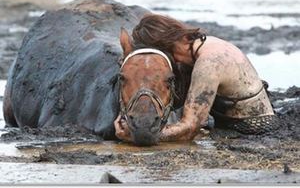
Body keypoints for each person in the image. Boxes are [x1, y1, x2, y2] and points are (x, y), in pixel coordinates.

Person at [115, 14, 279, 142]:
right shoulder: (204, 44)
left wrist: (139, 135)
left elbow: (190, 128)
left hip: (249, 129)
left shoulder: (208, 64)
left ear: (163, 45)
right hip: (233, 122)